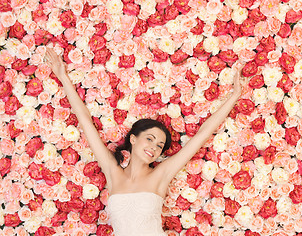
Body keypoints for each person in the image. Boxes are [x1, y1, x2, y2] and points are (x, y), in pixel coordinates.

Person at [45, 48, 243, 236]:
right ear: (133, 138)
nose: (154, 148)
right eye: (150, 139)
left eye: (159, 146)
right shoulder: (113, 172)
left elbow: (201, 135)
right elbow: (85, 122)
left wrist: (234, 96)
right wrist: (63, 76)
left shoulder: (161, 174)